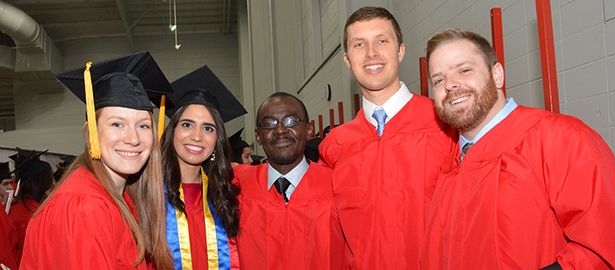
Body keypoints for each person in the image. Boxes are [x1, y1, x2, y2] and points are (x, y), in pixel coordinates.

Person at [423, 28, 615, 269]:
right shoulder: (447, 167)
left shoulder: (560, 139)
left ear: (497, 75)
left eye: (464, 70)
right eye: (438, 80)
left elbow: (606, 248)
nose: (450, 85)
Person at [318, 6, 455, 268]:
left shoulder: (446, 126)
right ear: (347, 59)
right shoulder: (334, 145)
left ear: (400, 50)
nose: (371, 53)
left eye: (382, 41)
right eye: (359, 44)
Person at [20, 52, 173, 269]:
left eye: (143, 125)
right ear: (91, 132)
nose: (133, 139)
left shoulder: (119, 196)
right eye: (117, 124)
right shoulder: (84, 207)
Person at [234, 92, 335, 269]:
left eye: (291, 121)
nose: (280, 130)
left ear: (309, 129)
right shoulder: (238, 186)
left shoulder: (335, 185)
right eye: (269, 124)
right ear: (258, 135)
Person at [161, 65, 245, 269]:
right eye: (187, 124)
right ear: (173, 131)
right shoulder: (148, 193)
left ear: (217, 139)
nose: (197, 136)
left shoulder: (228, 193)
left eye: (208, 128)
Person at [8, 150, 55, 265]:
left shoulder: (15, 208)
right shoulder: (33, 214)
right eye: (49, 179)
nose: (52, 183)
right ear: (40, 182)